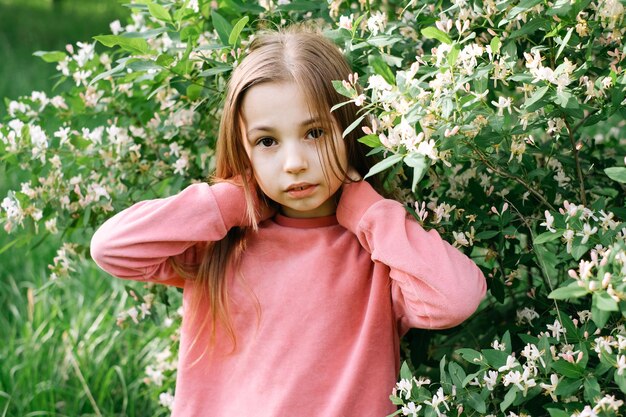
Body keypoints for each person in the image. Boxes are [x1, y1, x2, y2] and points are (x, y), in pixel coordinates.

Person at [90, 26, 487, 417]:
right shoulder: (219, 244)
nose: (294, 163)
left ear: (349, 133)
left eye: (314, 133)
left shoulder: (379, 254)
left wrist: (365, 209)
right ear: (244, 151)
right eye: (267, 142)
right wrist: (234, 200)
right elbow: (112, 248)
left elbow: (455, 298)